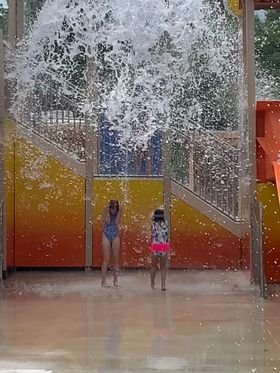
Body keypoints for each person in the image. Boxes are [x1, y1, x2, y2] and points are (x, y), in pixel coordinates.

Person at [101, 200, 121, 287]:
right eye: (111, 209)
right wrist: (107, 212)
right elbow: (108, 222)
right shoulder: (106, 211)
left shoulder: (119, 211)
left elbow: (116, 222)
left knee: (116, 259)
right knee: (106, 259)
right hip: (106, 234)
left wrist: (119, 212)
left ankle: (115, 280)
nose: (113, 211)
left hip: (115, 234)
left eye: (114, 209)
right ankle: (103, 281)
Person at [150, 208, 170, 291]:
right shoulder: (165, 223)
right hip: (164, 245)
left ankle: (152, 283)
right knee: (163, 267)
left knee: (153, 266)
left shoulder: (153, 224)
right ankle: (163, 285)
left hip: (155, 245)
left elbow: (152, 235)